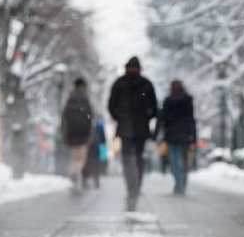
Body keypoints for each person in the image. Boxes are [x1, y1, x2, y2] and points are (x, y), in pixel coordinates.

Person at [107, 56, 158, 211]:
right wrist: (145, 116)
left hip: (128, 127)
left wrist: (119, 117)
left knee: (129, 159)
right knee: (136, 159)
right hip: (137, 127)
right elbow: (154, 108)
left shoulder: (120, 83)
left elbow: (111, 105)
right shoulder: (145, 84)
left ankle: (133, 186)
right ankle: (135, 186)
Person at [156, 79, 197, 195]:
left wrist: (156, 134)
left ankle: (179, 183)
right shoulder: (187, 101)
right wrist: (193, 136)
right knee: (183, 161)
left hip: (172, 136)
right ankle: (182, 183)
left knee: (174, 161)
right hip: (184, 136)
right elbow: (192, 120)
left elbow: (161, 119)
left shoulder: (168, 101)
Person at [60, 77, 95, 193]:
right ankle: (77, 174)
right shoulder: (86, 100)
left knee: (74, 157)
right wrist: (90, 133)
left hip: (72, 133)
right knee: (81, 158)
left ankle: (74, 175)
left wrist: (65, 133)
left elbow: (64, 118)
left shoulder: (70, 100)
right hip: (84, 134)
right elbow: (91, 119)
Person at [83, 118, 106, 189]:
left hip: (89, 149)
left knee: (87, 165)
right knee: (96, 166)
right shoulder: (99, 125)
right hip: (96, 149)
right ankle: (96, 182)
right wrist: (103, 154)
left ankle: (85, 181)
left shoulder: (86, 124)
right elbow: (103, 140)